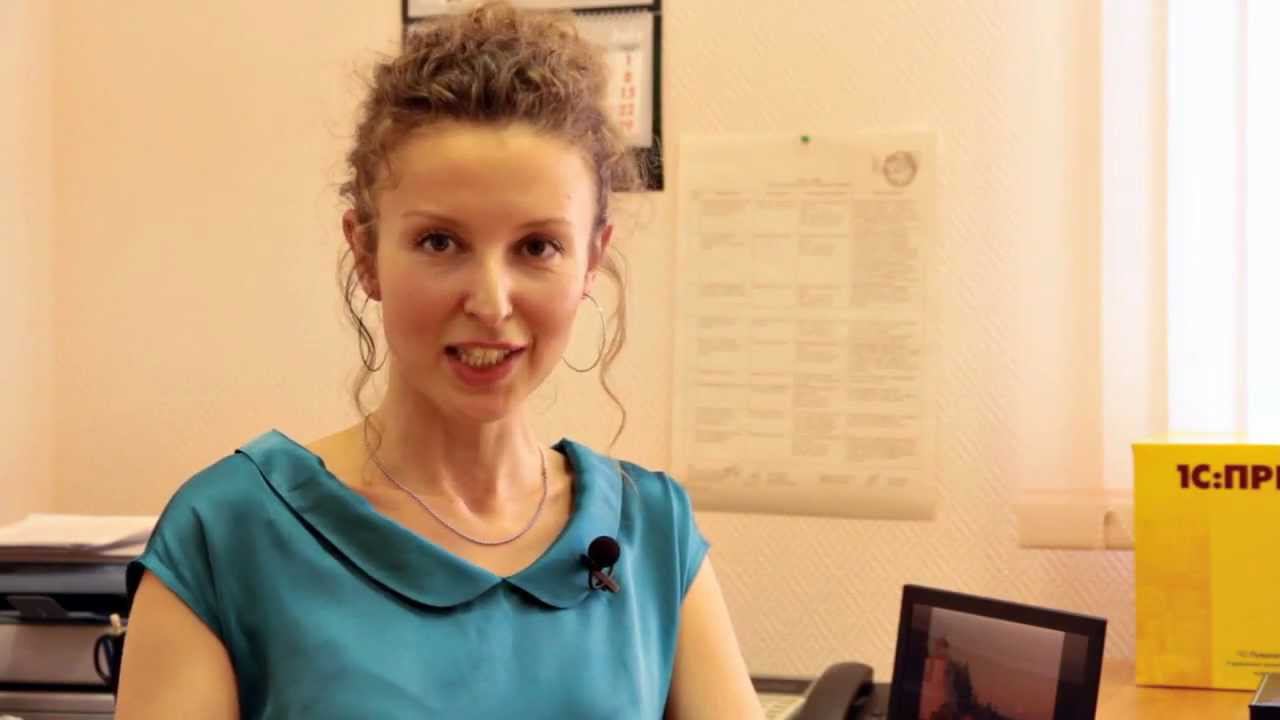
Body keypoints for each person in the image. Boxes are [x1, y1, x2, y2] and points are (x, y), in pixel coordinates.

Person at [113, 3, 762, 718]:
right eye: (440, 243)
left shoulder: (652, 534)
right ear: (366, 252)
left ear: (591, 259)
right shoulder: (229, 535)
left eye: (538, 247)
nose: (491, 302)